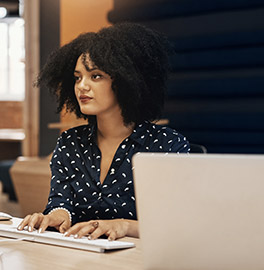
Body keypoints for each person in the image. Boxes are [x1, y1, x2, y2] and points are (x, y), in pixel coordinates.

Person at [17, 23, 190, 241]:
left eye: (95, 76)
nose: (82, 86)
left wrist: (124, 226)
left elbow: (174, 221)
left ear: (127, 80)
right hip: (79, 256)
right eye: (78, 77)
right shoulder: (69, 143)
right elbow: (60, 202)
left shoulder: (167, 145)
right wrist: (57, 215)